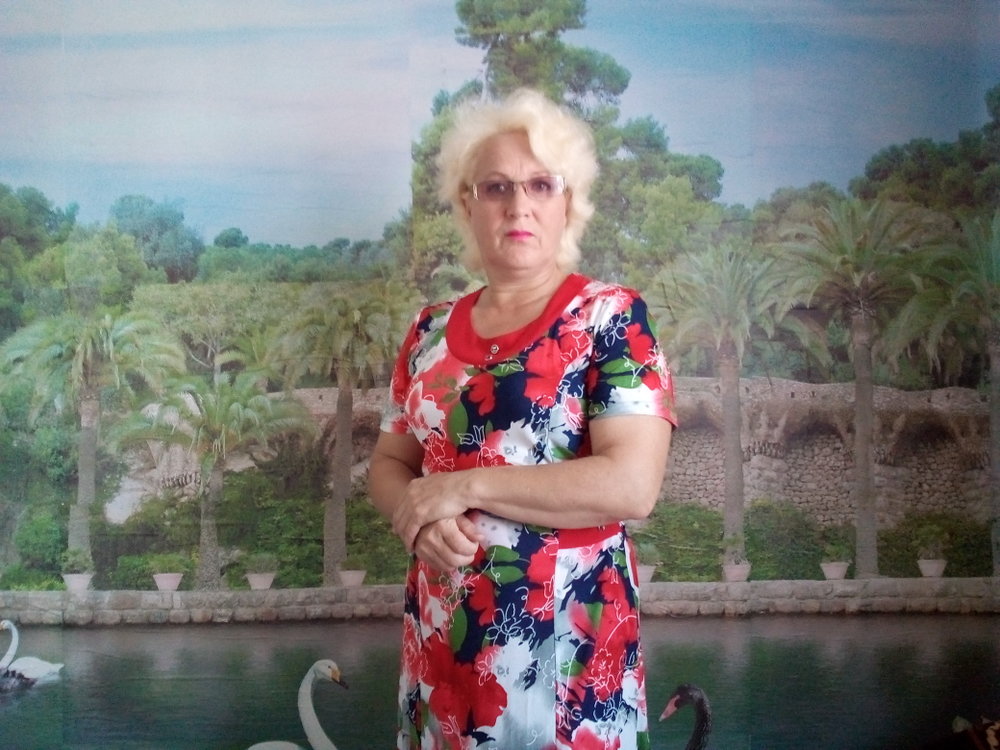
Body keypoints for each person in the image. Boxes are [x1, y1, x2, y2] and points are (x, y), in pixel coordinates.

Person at [368, 88, 676, 750]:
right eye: (497, 187)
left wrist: (462, 486)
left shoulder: (612, 319)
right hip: (441, 652)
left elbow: (631, 486)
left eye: (541, 184)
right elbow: (391, 465)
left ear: (569, 202)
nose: (519, 204)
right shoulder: (427, 332)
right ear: (466, 204)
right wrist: (416, 520)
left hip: (566, 665)